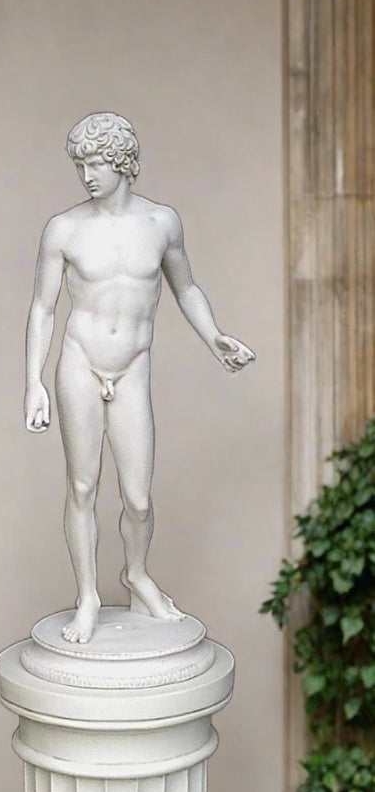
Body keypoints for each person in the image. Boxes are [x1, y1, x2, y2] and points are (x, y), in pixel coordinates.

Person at [24, 112, 254, 644]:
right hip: (79, 363)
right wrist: (33, 381)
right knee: (82, 486)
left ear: (123, 162)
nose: (87, 174)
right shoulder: (64, 228)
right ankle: (88, 597)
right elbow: (42, 308)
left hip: (132, 367)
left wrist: (214, 336)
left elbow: (186, 288)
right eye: (80, 163)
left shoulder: (162, 223)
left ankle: (136, 574)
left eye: (96, 162)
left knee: (139, 498)